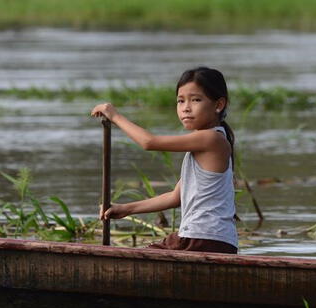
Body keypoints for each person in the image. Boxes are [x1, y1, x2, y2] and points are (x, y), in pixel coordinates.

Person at [90, 66, 238, 254]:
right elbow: (175, 197)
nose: (186, 108)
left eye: (196, 100)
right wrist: (126, 208)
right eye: (180, 101)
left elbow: (149, 142)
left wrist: (115, 115)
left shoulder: (211, 139)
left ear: (219, 105)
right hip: (211, 239)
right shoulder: (205, 143)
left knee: (135, 258)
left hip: (202, 238)